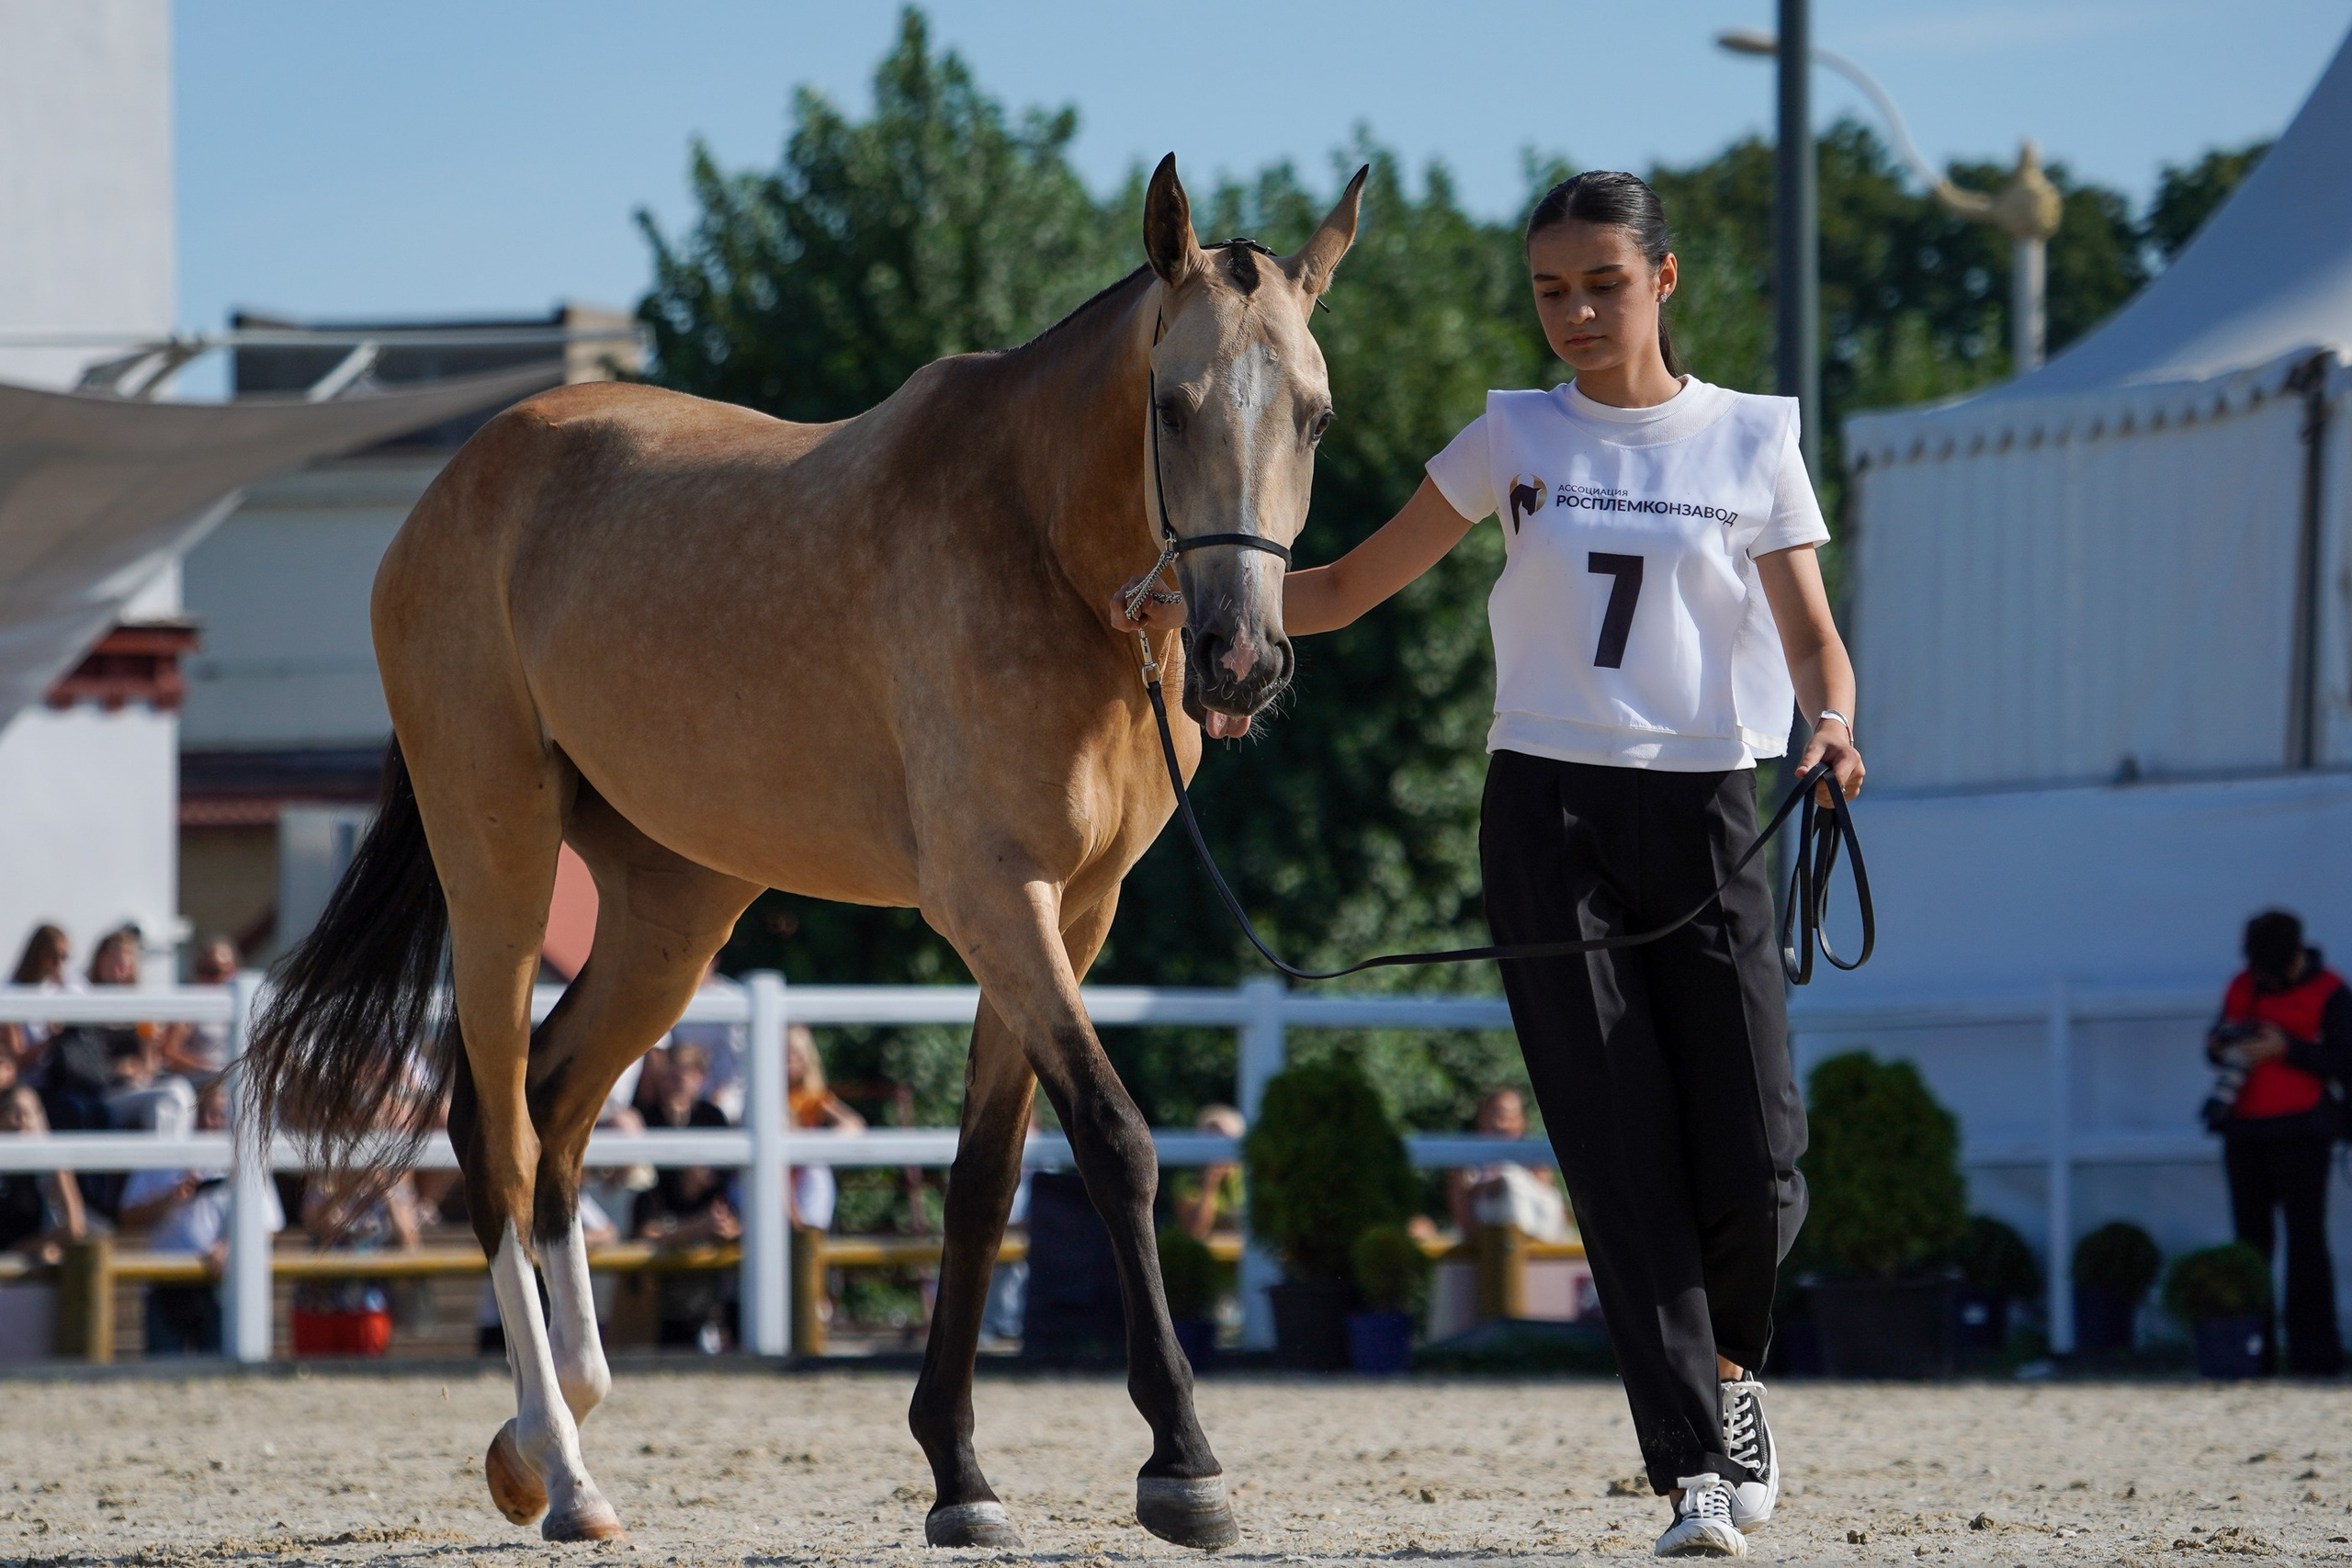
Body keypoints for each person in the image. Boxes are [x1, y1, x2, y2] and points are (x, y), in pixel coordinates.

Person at [1120, 170, 1862, 1557]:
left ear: (1665, 279)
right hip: (1546, 816)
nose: (1575, 312)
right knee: (1617, 1150)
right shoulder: (1510, 436)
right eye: (1549, 289)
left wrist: (1832, 723)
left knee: (1761, 1154)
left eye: (1602, 283)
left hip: (1711, 805)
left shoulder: (1753, 442)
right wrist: (1196, 613)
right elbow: (1339, 585)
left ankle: (1736, 1370)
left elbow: (1817, 638)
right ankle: (1694, 1468)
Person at [2207, 908, 2350, 1376]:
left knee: (2306, 1242)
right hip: (2245, 1130)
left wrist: (2286, 1049)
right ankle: (2253, 1352)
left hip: (2304, 1130)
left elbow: (2344, 1061)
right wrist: (2222, 1047)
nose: (2262, 977)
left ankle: (2315, 1355)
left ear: (2294, 956)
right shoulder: (2241, 985)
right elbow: (2215, 1042)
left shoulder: (2331, 991)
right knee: (2251, 1243)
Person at [118, 1081, 285, 1354]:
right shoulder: (161, 1155)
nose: (211, 1121)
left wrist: (233, 1247)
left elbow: (270, 1226)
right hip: (165, 1287)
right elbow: (127, 1217)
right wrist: (168, 1200)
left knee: (223, 1382)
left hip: (222, 1288)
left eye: (219, 1114)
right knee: (162, 1380)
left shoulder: (246, 1159)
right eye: (204, 1113)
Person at [1447, 1089, 1574, 1245]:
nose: (1503, 1124)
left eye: (1511, 1117)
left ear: (1522, 1121)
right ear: (1482, 1117)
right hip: (1487, 1248)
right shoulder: (1466, 1162)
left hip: (1535, 1248)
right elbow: (1462, 1205)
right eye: (1498, 1115)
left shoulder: (1534, 1161)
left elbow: (1552, 1209)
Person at [0, 1084, 86, 1264]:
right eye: (12, 1111)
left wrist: (17, 1251)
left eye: (30, 1112)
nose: (22, 1119)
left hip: (35, 1270)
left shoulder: (53, 1165)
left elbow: (75, 1228)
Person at [1168, 1104, 1246, 1242]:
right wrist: (1209, 1184)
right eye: (1210, 1139)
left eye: (1222, 1140)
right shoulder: (1186, 1181)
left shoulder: (1248, 1178)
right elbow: (1195, 1231)